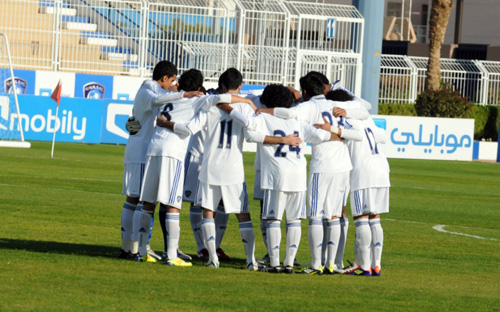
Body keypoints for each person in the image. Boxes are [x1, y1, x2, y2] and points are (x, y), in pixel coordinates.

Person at [157, 68, 300, 270]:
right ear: (240, 86)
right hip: (233, 168)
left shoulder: (209, 105)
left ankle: (212, 258)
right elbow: (252, 136)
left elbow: (189, 129)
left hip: (210, 166)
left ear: (221, 85)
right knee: (243, 214)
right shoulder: (245, 109)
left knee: (208, 212)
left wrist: (166, 124)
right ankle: (251, 260)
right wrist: (282, 139)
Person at [217, 84, 345, 273]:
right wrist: (341, 137)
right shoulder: (298, 122)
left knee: (273, 219)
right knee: (294, 220)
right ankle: (289, 263)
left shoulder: (263, 118)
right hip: (298, 175)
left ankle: (275, 264)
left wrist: (227, 107)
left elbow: (251, 135)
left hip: (276, 175)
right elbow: (323, 135)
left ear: (266, 102)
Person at [260, 73, 366, 275]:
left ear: (306, 91)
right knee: (334, 215)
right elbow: (358, 130)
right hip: (344, 165)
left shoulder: (307, 107)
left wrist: (264, 110)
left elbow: (287, 115)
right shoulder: (334, 104)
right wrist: (336, 131)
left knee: (316, 215)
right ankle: (331, 264)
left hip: (323, 165)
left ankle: (316, 264)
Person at [120, 61, 200, 262]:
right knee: (139, 200)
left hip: (141, 148)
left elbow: (133, 122)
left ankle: (133, 248)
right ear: (164, 78)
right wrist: (184, 93)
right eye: (171, 80)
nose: (172, 85)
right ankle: (135, 248)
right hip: (142, 152)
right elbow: (157, 100)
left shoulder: (148, 90)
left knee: (139, 200)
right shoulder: (150, 90)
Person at [320, 89, 390, 276]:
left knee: (361, 218)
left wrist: (333, 129)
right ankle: (376, 265)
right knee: (375, 219)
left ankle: (363, 266)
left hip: (363, 171)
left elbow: (351, 135)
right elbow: (383, 137)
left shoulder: (343, 119)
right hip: (382, 167)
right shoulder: (366, 118)